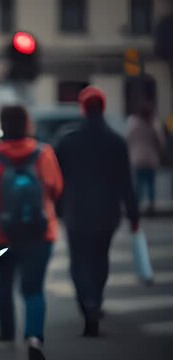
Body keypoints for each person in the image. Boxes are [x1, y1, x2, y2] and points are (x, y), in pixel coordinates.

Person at [0, 105, 62, 360]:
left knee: (4, 285)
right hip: (40, 234)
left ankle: (6, 333)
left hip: (1, 236)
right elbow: (55, 188)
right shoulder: (44, 153)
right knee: (34, 289)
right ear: (27, 124)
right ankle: (34, 336)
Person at [55, 86, 140, 337]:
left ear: (83, 108)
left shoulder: (69, 141)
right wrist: (133, 214)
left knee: (79, 262)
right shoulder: (116, 141)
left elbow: (56, 181)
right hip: (107, 212)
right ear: (103, 107)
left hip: (76, 211)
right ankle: (97, 300)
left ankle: (87, 303)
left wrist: (57, 208)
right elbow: (126, 182)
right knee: (100, 259)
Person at [126, 102, 166, 216]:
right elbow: (161, 142)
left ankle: (136, 207)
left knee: (138, 185)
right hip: (151, 159)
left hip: (137, 158)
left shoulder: (133, 123)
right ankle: (151, 207)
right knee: (151, 185)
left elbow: (128, 139)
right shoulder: (154, 123)